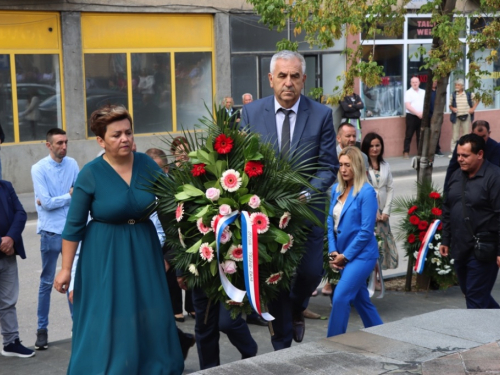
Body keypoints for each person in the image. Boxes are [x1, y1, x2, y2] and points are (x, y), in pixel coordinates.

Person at [53, 105, 184, 374]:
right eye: (116, 135)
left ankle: (150, 367)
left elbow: (171, 209)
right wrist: (66, 269)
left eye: (128, 132)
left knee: (149, 311)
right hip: (104, 252)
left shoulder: (147, 164)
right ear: (100, 140)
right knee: (108, 315)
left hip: (145, 249)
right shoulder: (90, 173)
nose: (125, 138)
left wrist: (172, 256)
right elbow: (74, 225)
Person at [240, 50, 338, 349]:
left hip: (306, 212)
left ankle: (298, 307)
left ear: (303, 79)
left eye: (295, 76)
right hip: (266, 216)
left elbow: (328, 166)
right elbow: (244, 161)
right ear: (271, 79)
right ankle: (282, 343)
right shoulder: (251, 113)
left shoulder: (320, 114)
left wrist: (306, 193)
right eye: (282, 76)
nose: (288, 82)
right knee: (277, 280)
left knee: (309, 273)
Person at [326, 146, 383, 337]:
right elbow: (330, 222)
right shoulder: (336, 189)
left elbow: (366, 232)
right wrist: (333, 251)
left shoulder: (366, 193)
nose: (343, 169)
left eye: (348, 165)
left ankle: (333, 341)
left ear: (357, 166)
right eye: (341, 165)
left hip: (362, 256)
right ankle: (382, 333)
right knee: (361, 301)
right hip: (342, 253)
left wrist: (346, 256)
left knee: (341, 296)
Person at [439, 133, 500, 309]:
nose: (460, 159)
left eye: (465, 155)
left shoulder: (494, 177)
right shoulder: (456, 176)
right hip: (460, 248)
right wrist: (445, 239)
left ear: (480, 154)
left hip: (484, 249)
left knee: (474, 297)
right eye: (458, 155)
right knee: (473, 294)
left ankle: (475, 336)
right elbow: (447, 208)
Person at [31, 128, 79, 350]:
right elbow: (47, 203)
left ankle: (77, 327)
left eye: (66, 142)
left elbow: (80, 196)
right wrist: (67, 195)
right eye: (59, 143)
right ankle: (42, 329)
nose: (64, 146)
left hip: (71, 230)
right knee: (47, 282)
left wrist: (55, 199)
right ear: (48, 145)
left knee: (74, 279)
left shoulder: (73, 164)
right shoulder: (38, 168)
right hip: (50, 231)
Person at [145, 147, 195, 323]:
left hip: (174, 243)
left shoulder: (177, 191)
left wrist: (168, 256)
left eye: (156, 170)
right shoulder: (141, 191)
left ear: (166, 169)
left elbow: (184, 226)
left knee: (178, 276)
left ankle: (187, 307)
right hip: (151, 245)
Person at [0, 180, 34, 358]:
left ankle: (11, 342)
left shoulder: (5, 186)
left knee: (8, 300)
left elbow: (20, 213)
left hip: (7, 253)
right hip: (5, 248)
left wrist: (11, 238)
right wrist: (2, 242)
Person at [361, 133, 398, 270]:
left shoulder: (385, 165)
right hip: (369, 211)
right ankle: (370, 276)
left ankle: (378, 277)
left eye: (377, 145)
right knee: (371, 243)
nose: (375, 149)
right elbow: (363, 189)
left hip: (383, 213)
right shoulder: (362, 166)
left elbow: (390, 188)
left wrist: (386, 211)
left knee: (383, 244)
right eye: (371, 146)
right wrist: (373, 211)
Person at [443, 120, 500, 192]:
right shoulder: (462, 145)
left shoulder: (495, 147)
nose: (480, 139)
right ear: (472, 133)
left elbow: (495, 172)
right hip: (463, 183)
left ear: (489, 133)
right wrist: (446, 191)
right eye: (477, 136)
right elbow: (452, 168)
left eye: (483, 136)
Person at [449, 78, 479, 158]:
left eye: (458, 85)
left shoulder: (468, 94)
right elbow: (450, 105)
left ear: (462, 86)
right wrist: (452, 108)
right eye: (456, 85)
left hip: (466, 116)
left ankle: (466, 151)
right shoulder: (453, 94)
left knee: (466, 135)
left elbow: (477, 99)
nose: (456, 86)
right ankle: (453, 153)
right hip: (456, 117)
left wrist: (472, 109)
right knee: (455, 136)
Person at [403, 76, 425, 159]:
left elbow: (426, 104)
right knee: (409, 135)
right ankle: (406, 152)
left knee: (420, 135)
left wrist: (422, 113)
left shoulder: (423, 92)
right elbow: (408, 106)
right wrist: (417, 113)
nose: (415, 83)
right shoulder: (408, 92)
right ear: (410, 83)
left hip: (422, 116)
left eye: (416, 82)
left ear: (419, 82)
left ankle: (420, 153)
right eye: (413, 82)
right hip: (411, 116)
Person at [429, 80, 443, 156]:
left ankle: (437, 149)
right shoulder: (427, 92)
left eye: (435, 82)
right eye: (433, 81)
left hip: (438, 116)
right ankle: (430, 150)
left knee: (437, 133)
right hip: (429, 116)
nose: (434, 83)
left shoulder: (439, 92)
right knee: (430, 133)